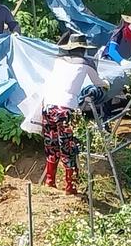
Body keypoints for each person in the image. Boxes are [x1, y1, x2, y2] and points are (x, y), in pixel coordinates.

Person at [42, 34, 109, 194]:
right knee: (68, 147)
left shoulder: (58, 61)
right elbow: (98, 82)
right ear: (83, 50)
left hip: (48, 105)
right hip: (66, 109)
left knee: (51, 145)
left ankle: (49, 180)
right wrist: (106, 84)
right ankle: (70, 186)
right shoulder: (87, 63)